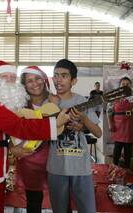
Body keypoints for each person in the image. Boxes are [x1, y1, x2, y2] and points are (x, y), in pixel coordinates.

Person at [0, 60, 70, 213]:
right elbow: (18, 126)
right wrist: (54, 124)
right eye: (4, 76)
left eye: (12, 77)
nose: (9, 80)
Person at [47, 59, 102, 213]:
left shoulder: (82, 102)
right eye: (56, 75)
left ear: (74, 80)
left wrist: (83, 121)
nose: (58, 79)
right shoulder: (48, 102)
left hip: (81, 168)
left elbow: (98, 133)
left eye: (64, 76)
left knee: (88, 209)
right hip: (56, 167)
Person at [11, 66, 57, 213]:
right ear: (24, 85)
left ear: (44, 80)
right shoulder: (19, 104)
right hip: (30, 159)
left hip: (56, 157)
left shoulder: (55, 101)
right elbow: (8, 129)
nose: (35, 83)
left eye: (37, 78)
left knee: (60, 198)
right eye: (29, 81)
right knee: (34, 201)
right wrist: (12, 147)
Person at [107, 77, 133, 168]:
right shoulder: (114, 97)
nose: (125, 86)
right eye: (123, 84)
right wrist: (110, 124)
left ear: (130, 85)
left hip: (131, 124)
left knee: (128, 148)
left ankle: (127, 168)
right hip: (118, 124)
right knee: (117, 147)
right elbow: (109, 112)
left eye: (127, 84)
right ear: (120, 86)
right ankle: (114, 167)